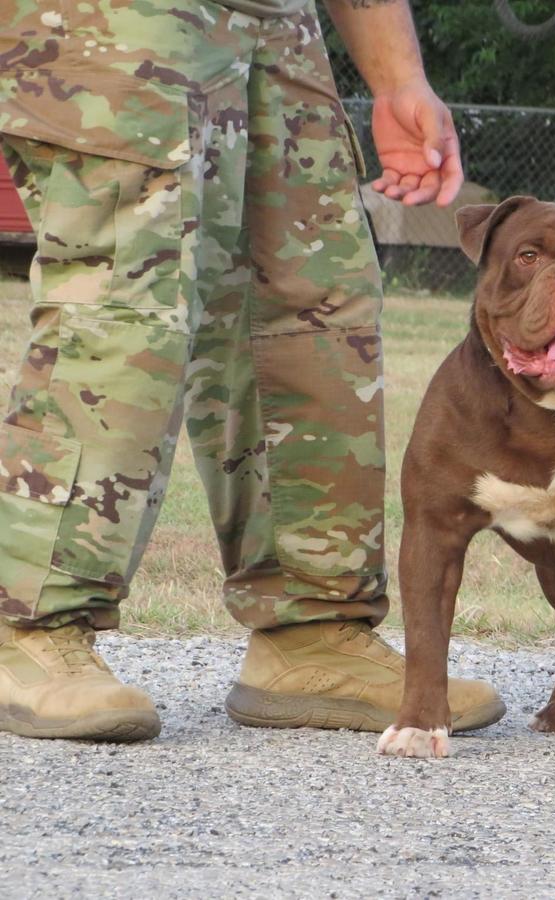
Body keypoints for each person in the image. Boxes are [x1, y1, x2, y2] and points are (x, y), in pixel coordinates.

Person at [0, 0, 505, 741]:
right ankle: (28, 625)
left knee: (314, 301)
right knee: (127, 291)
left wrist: (398, 79)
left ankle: (311, 628)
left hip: (276, 18)